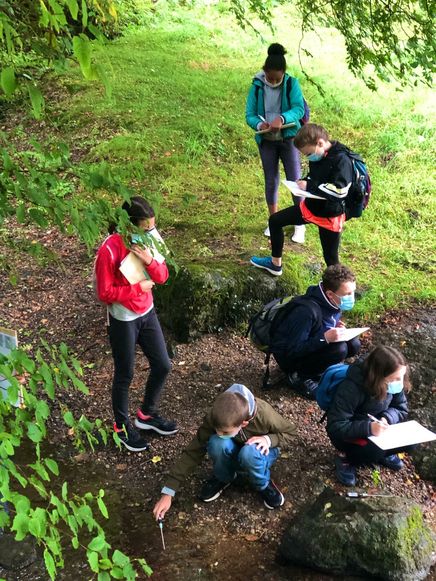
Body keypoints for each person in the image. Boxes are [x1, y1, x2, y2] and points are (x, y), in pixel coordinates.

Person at [94, 196, 178, 452]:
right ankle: (121, 426)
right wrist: (137, 288)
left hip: (147, 312)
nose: (151, 232)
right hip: (123, 318)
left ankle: (147, 415)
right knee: (125, 373)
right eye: (145, 228)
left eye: (152, 227)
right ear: (129, 225)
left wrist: (150, 261)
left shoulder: (150, 239)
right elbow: (105, 293)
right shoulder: (109, 249)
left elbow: (162, 277)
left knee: (162, 364)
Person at [152, 383, 296, 519]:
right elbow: (194, 450)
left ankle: (263, 484)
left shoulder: (264, 415)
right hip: (235, 448)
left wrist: (268, 439)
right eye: (217, 430)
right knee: (216, 442)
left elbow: (291, 432)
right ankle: (224, 477)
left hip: (259, 452)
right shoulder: (216, 415)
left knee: (249, 453)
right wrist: (169, 491)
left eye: (225, 432)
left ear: (243, 424)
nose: (220, 434)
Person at [250, 123, 354, 275]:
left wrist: (310, 185)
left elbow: (340, 191)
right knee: (275, 220)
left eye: (309, 153)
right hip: (311, 207)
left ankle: (339, 288)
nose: (308, 157)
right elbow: (315, 176)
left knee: (331, 259)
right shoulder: (319, 154)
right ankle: (275, 264)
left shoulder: (342, 160)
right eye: (305, 154)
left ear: (320, 143)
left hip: (330, 214)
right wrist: (303, 182)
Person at [246, 43, 306, 243]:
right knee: (271, 180)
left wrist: (282, 118)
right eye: (270, 78)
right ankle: (274, 221)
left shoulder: (291, 84)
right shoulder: (257, 86)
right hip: (267, 141)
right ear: (264, 71)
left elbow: (299, 109)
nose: (273, 82)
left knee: (295, 180)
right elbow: (249, 114)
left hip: (289, 139)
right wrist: (260, 124)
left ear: (283, 73)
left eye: (277, 79)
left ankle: (300, 223)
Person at [271, 264, 361, 399]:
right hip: (290, 358)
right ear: (330, 294)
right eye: (347, 294)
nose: (351, 297)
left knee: (353, 344)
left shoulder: (333, 301)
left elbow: (321, 324)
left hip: (312, 345)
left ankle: (321, 370)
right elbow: (292, 350)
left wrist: (335, 325)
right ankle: (298, 376)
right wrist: (325, 338)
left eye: (353, 292)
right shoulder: (305, 312)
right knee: (339, 349)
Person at [327, 345, 412, 486]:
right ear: (380, 376)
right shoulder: (352, 387)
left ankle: (382, 452)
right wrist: (369, 428)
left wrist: (386, 418)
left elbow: (400, 408)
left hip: (379, 429)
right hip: (350, 435)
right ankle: (346, 460)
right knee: (375, 451)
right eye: (396, 378)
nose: (400, 383)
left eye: (402, 377)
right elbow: (336, 426)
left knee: (412, 443)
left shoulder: (394, 384)